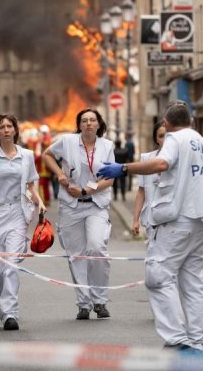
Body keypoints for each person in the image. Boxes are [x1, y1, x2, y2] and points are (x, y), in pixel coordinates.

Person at [98, 102, 203, 351]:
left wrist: (123, 168)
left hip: (174, 221)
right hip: (198, 221)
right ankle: (197, 342)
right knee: (193, 284)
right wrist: (194, 193)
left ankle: (177, 339)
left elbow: (161, 164)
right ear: (191, 121)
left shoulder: (175, 139)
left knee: (158, 277)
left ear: (166, 124)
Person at [0, 113, 46, 331]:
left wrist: (39, 202)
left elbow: (31, 185)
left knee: (11, 264)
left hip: (18, 213)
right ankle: (1, 297)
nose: (6, 130)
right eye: (2, 127)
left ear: (15, 130)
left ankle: (10, 313)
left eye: (9, 126)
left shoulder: (28, 155)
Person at [42, 108, 116, 321]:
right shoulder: (66, 142)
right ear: (79, 124)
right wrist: (59, 173)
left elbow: (110, 178)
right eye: (84, 121)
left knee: (96, 247)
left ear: (99, 124)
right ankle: (84, 303)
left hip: (96, 204)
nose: (88, 124)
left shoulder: (107, 146)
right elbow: (47, 155)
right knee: (76, 254)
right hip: (71, 205)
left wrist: (86, 190)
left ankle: (100, 300)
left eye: (92, 120)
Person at [131, 122, 167, 238]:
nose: (165, 140)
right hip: (151, 219)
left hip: (173, 219)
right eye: (161, 136)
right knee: (154, 254)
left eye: (168, 135)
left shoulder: (182, 159)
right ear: (156, 139)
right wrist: (135, 220)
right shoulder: (146, 159)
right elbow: (141, 191)